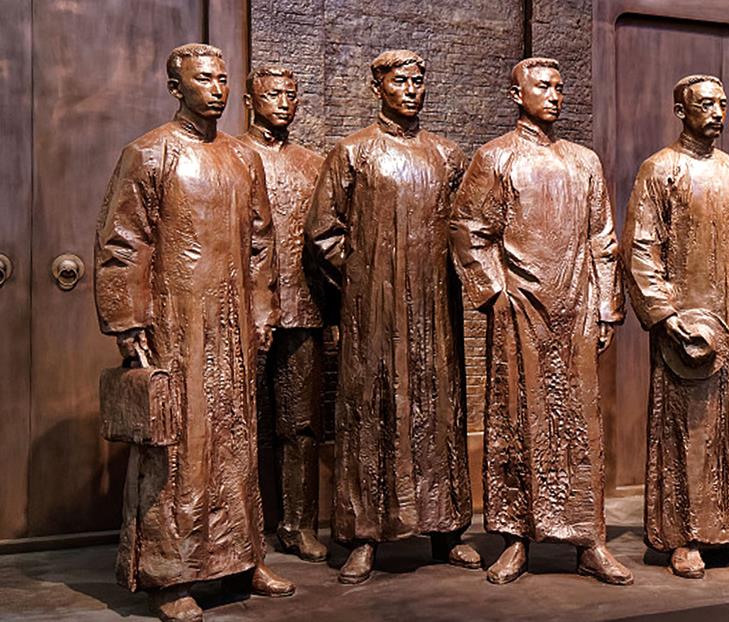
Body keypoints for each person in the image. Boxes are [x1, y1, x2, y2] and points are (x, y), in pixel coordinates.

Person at [95, 43, 294, 622]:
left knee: (237, 442)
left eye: (223, 79)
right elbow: (123, 242)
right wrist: (128, 322)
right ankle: (170, 573)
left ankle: (242, 558)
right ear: (175, 87)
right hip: (175, 326)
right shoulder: (148, 154)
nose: (217, 89)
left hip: (233, 324)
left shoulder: (241, 158)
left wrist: (263, 311)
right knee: (178, 450)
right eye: (204, 79)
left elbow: (261, 243)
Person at [454, 57, 632, 586]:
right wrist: (495, 293)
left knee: (580, 423)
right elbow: (468, 230)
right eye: (543, 87)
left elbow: (602, 239)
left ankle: (588, 539)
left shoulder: (583, 161)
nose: (554, 95)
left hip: (576, 311)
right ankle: (514, 539)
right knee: (515, 418)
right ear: (517, 95)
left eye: (559, 86)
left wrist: (607, 307)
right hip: (520, 311)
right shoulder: (495, 158)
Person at [305, 49, 477, 584]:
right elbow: (323, 231)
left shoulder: (447, 155)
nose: (411, 89)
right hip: (372, 312)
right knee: (370, 411)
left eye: (418, 81)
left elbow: (467, 229)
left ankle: (447, 529)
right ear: (378, 87)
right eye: (400, 81)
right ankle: (364, 535)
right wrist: (363, 278)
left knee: (439, 410)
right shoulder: (353, 153)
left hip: (435, 308)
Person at [622, 74, 729, 579]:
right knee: (685, 429)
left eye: (722, 104)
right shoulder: (660, 169)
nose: (717, 113)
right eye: (705, 104)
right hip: (686, 327)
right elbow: (641, 248)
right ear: (681, 111)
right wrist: (665, 316)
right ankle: (683, 535)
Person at [238, 65, 329, 561]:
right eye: (273, 94)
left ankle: (299, 524)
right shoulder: (233, 157)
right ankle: (243, 529)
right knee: (242, 424)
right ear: (250, 101)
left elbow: (330, 240)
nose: (283, 103)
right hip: (243, 313)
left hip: (303, 308)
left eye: (291, 95)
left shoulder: (313, 165)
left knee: (301, 424)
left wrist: (333, 310)